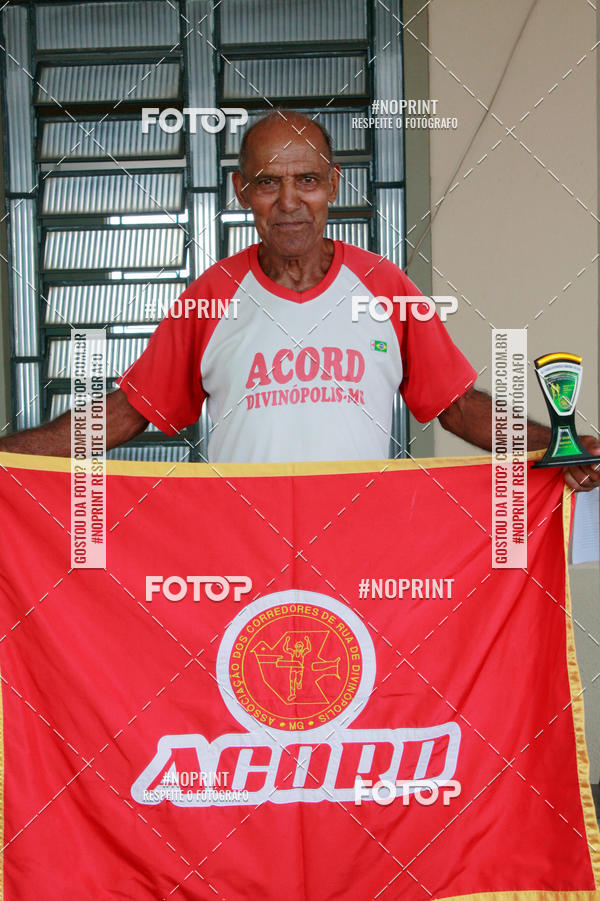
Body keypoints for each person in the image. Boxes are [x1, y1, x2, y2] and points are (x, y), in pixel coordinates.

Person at [0, 111, 598, 492]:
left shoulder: (384, 287)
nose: (289, 201)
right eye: (268, 182)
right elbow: (129, 412)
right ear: (244, 193)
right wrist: (6, 455)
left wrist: (557, 447)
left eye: (306, 181)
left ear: (332, 184)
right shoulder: (210, 297)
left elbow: (458, 406)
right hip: (238, 553)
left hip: (359, 549)